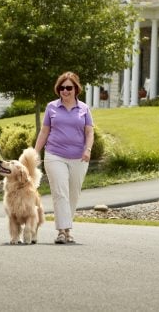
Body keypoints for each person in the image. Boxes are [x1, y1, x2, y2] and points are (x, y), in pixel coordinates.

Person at [34, 72, 94, 244]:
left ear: (76, 89)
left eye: (69, 87)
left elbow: (89, 132)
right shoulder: (51, 107)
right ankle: (63, 231)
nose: (65, 91)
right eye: (62, 88)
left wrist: (87, 149)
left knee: (73, 194)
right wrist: (36, 152)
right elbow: (44, 131)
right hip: (54, 155)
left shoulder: (84, 108)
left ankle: (67, 228)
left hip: (79, 158)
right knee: (60, 193)